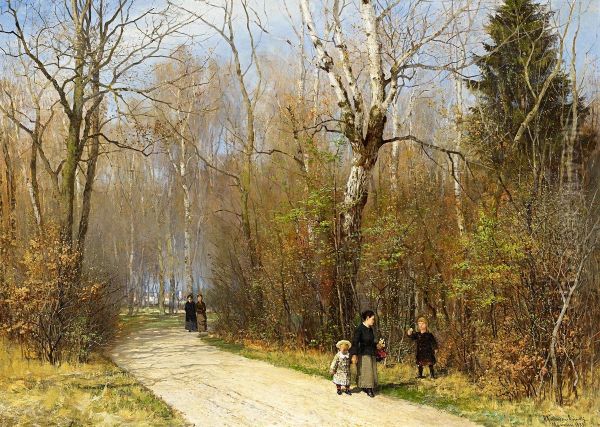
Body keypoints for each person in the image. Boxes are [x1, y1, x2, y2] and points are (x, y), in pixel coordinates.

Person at [350, 310, 381, 397]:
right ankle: (368, 388)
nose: (374, 321)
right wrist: (354, 354)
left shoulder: (370, 329)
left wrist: (377, 345)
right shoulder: (359, 329)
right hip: (363, 353)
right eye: (372, 319)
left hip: (371, 352)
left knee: (371, 370)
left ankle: (367, 387)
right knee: (367, 371)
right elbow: (355, 342)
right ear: (367, 318)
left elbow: (370, 342)